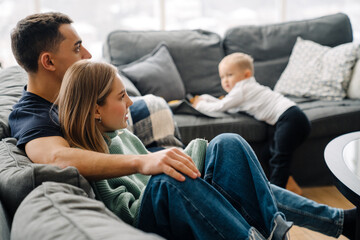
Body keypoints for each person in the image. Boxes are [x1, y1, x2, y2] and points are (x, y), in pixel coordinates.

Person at [8, 12, 355, 239]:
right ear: (48, 61)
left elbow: (120, 123)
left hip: (145, 159)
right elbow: (54, 159)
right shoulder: (33, 113)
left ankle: (285, 228)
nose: (86, 55)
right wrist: (144, 161)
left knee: (228, 145)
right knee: (179, 178)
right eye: (78, 47)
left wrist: (154, 150)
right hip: (143, 182)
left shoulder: (87, 96)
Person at [57, 59, 294, 239]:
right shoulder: (87, 156)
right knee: (167, 179)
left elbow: (150, 169)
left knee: (228, 143)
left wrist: (196, 154)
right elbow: (125, 211)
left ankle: (274, 230)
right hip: (142, 219)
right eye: (121, 97)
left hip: (164, 201)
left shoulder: (123, 136)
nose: (130, 102)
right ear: (96, 110)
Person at [192, 52, 311, 190]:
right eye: (222, 77)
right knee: (268, 153)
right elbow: (227, 105)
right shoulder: (245, 89)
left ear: (246, 75)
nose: (225, 80)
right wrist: (205, 98)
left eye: (229, 75)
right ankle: (291, 186)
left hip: (290, 119)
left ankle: (277, 196)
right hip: (290, 118)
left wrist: (199, 104)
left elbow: (221, 106)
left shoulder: (242, 89)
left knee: (279, 158)